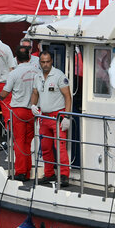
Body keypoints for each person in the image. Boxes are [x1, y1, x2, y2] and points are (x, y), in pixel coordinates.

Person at [0, 47, 42, 180]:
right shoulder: (37, 71)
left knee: (18, 142)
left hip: (18, 109)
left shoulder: (14, 73)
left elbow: (5, 92)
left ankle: (21, 172)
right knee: (28, 142)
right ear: (29, 58)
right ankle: (27, 170)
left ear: (16, 59)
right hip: (33, 110)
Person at [31, 50, 72, 187]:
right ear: (39, 62)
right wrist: (32, 105)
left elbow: (68, 96)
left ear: (52, 61)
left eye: (48, 61)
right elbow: (35, 93)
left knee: (59, 146)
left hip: (57, 116)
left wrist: (66, 116)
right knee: (46, 147)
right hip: (44, 116)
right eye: (43, 62)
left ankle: (64, 175)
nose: (45, 64)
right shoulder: (37, 77)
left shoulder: (59, 75)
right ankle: (49, 174)